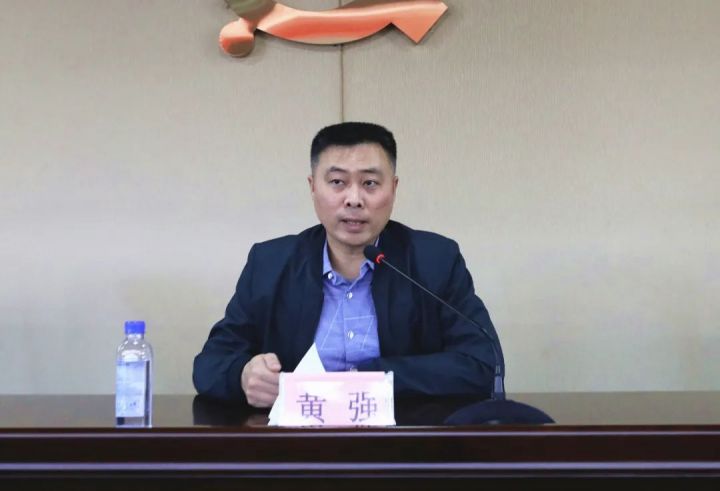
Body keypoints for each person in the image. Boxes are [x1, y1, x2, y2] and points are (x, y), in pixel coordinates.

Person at [193, 122, 502, 408]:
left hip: (404, 441)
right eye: (337, 182)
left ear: (393, 188)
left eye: (370, 183)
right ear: (313, 187)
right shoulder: (270, 263)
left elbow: (481, 364)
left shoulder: (435, 260)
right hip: (296, 441)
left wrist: (369, 379)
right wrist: (243, 375)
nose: (354, 199)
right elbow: (210, 364)